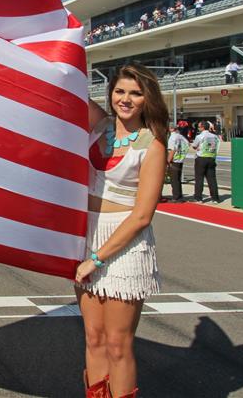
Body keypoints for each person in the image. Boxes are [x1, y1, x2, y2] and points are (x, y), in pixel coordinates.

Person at [76, 63, 167, 398]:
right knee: (94, 337)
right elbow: (63, 84)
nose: (125, 99)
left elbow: (143, 216)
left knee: (117, 344)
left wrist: (97, 259)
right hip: (88, 236)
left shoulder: (153, 144)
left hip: (124, 245)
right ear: (110, 93)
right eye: (119, 91)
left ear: (147, 99)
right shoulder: (99, 126)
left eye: (135, 93)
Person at [192, 121, 220, 203]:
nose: (198, 128)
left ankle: (198, 198)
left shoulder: (200, 136)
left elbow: (194, 145)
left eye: (199, 127)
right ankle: (215, 198)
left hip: (201, 158)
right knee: (212, 179)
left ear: (203, 127)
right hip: (211, 158)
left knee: (199, 179)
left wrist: (197, 148)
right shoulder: (215, 136)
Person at [166, 126, 189, 203]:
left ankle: (176, 197)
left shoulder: (172, 137)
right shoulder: (181, 136)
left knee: (174, 180)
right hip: (180, 159)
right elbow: (188, 144)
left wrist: (168, 161)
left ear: (171, 129)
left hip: (174, 160)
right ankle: (179, 196)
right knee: (178, 179)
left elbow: (172, 150)